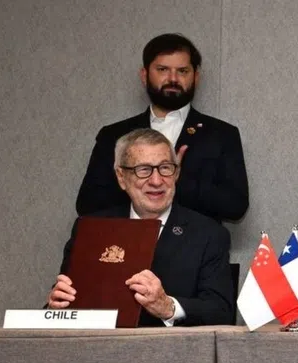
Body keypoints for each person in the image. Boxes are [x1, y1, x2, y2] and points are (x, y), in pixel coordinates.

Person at [50, 128, 234, 326]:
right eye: (144, 170)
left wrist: (169, 307)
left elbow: (221, 311)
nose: (156, 181)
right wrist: (56, 307)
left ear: (176, 173)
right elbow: (62, 304)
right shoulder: (91, 230)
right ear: (121, 177)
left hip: (169, 345)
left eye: (165, 168)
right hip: (100, 343)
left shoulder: (208, 234)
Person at [76, 33, 249, 223]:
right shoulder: (114, 135)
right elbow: (87, 204)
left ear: (196, 77)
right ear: (144, 75)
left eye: (182, 71)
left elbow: (236, 206)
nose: (173, 79)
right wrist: (137, 181)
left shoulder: (221, 134)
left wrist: (178, 180)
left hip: (195, 240)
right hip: (129, 239)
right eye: (163, 69)